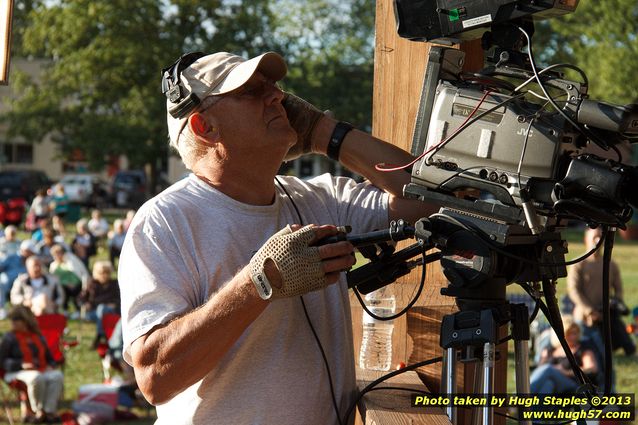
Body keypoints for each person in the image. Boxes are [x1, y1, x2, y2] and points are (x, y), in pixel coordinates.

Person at [118, 51, 438, 424]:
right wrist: (259, 282)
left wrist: (325, 132)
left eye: (274, 87)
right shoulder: (164, 221)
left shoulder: (321, 199)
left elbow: (433, 199)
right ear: (204, 127)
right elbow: (156, 376)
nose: (278, 97)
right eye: (252, 91)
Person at [567, 227, 636, 356]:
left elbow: (618, 288)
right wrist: (590, 311)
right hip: (585, 314)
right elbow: (574, 291)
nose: (598, 240)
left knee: (628, 346)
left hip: (607, 312)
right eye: (594, 237)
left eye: (600, 237)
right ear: (586, 240)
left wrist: (616, 302)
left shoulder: (611, 264)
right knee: (596, 348)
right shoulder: (578, 265)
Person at [0, 305, 64, 423]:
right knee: (36, 377)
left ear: (25, 321)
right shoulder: (9, 338)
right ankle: (38, 411)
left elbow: (49, 357)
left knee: (57, 376)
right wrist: (21, 365)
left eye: (16, 319)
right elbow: (2, 361)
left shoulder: (37, 336)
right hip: (16, 372)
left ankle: (49, 411)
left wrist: (51, 364)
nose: (12, 322)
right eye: (12, 319)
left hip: (40, 369)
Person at [530, 316, 599, 394]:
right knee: (548, 385)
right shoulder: (550, 349)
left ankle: (521, 396)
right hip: (554, 383)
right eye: (569, 333)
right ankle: (531, 406)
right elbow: (539, 369)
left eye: (575, 333)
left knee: (548, 369)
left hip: (573, 384)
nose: (572, 337)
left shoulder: (583, 349)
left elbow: (592, 369)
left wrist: (565, 372)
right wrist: (544, 360)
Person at [80, 260, 120, 343]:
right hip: (93, 313)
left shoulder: (114, 284)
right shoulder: (91, 284)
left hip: (111, 312)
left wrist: (114, 304)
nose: (104, 275)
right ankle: (102, 334)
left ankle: (99, 335)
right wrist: (86, 303)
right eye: (101, 272)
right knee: (101, 308)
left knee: (102, 308)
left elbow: (119, 299)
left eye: (107, 272)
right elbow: (80, 299)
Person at [0, 240, 36, 319]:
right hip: (7, 283)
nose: (32, 254)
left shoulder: (32, 261)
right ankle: (1, 309)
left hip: (23, 285)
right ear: (25, 250)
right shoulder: (12, 257)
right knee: (1, 282)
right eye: (30, 252)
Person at [49, 244, 87, 315]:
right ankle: (65, 309)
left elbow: (81, 272)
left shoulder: (71, 260)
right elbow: (53, 279)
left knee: (75, 291)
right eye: (55, 254)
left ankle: (78, 310)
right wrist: (65, 283)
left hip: (77, 284)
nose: (57, 256)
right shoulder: (53, 266)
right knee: (62, 290)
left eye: (59, 253)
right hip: (63, 285)